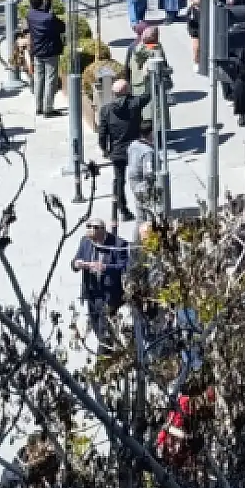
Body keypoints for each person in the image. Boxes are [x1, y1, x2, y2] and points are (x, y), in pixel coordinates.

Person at [72, 218, 129, 349]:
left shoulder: (119, 244)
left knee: (106, 333)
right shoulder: (85, 241)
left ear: (103, 232)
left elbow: (124, 266)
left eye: (96, 240)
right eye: (92, 241)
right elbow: (75, 261)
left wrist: (105, 267)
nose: (94, 243)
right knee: (97, 328)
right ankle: (111, 353)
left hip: (109, 295)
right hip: (92, 293)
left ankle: (104, 359)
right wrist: (77, 264)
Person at [97, 79, 146, 223]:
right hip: (135, 149)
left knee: (119, 180)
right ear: (128, 91)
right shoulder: (135, 103)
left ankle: (123, 210)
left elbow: (102, 132)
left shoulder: (106, 110)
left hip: (117, 151)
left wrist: (105, 149)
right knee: (142, 178)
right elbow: (149, 94)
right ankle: (143, 207)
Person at [26, 0, 64, 118]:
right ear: (41, 4)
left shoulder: (30, 15)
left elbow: (40, 15)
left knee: (39, 79)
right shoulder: (49, 18)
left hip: (37, 52)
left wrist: (47, 3)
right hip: (50, 52)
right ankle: (48, 109)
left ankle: (39, 106)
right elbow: (61, 27)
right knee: (50, 80)